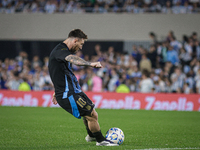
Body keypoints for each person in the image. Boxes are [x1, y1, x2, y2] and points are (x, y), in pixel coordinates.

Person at [48, 29, 118, 146]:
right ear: (75, 40)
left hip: (73, 90)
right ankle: (101, 141)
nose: (80, 47)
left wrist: (56, 90)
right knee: (90, 115)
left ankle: (91, 136)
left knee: (92, 113)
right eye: (81, 44)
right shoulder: (60, 51)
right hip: (68, 94)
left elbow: (57, 72)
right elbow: (74, 60)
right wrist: (91, 64)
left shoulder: (61, 51)